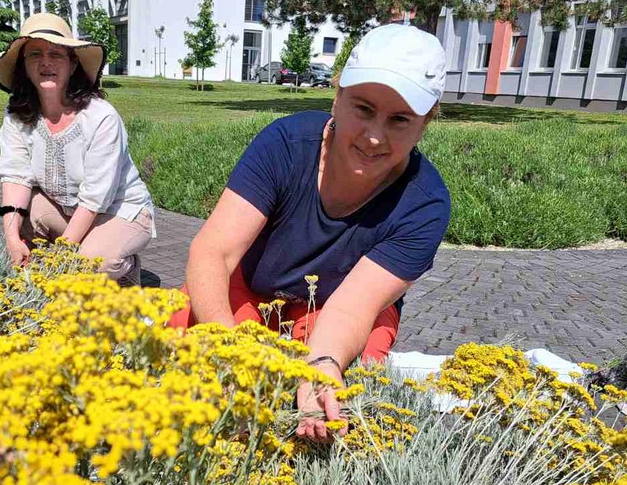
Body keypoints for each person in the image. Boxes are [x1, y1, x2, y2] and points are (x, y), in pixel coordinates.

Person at [170, 24, 451, 441]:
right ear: (336, 97)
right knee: (188, 360)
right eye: (362, 108)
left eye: (399, 119)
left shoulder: (424, 204)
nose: (374, 136)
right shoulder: (286, 143)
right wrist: (228, 349)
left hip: (336, 310)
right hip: (249, 288)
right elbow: (214, 252)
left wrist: (322, 366)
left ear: (425, 124)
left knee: (351, 391)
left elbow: (352, 309)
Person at [0, 13, 155, 283]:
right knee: (22, 220)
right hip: (67, 209)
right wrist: (11, 238)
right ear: (23, 65)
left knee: (90, 263)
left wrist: (63, 253)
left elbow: (95, 197)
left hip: (120, 211)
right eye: (35, 54)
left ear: (72, 64)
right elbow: (15, 176)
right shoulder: (17, 115)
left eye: (56, 54)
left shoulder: (101, 117)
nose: (45, 62)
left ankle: (124, 269)